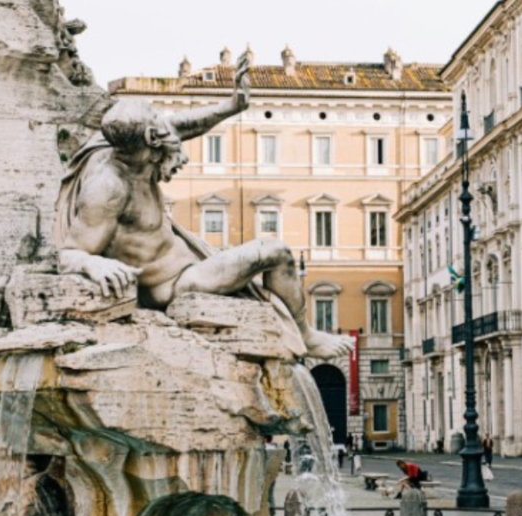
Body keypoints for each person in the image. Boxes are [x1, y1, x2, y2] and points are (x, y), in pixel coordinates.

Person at [52, 50, 353, 360]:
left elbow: (184, 124)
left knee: (268, 255)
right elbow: (69, 252)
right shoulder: (109, 187)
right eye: (160, 128)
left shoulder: (132, 147)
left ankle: (303, 332)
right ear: (150, 141)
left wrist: (232, 105)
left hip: (193, 260)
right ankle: (306, 336)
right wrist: (94, 263)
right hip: (176, 283)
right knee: (275, 252)